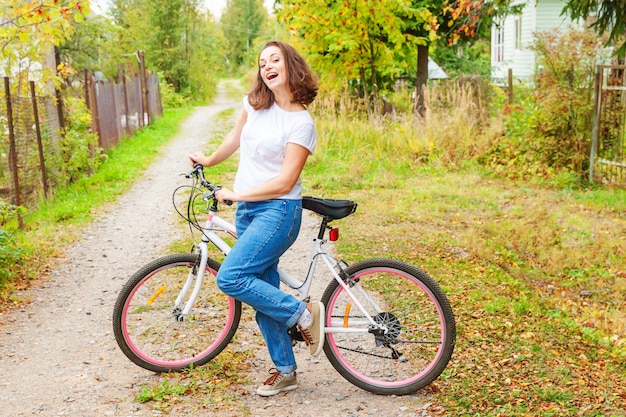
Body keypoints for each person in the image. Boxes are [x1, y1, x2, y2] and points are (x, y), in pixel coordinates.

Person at [188, 40, 322, 397]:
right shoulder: (254, 104)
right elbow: (235, 139)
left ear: (291, 66)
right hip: (250, 212)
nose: (267, 66)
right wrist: (209, 160)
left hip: (278, 212)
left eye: (274, 59)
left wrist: (235, 194)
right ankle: (286, 371)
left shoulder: (301, 123)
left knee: (231, 276)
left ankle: (302, 313)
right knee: (262, 294)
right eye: (263, 62)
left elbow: (285, 181)